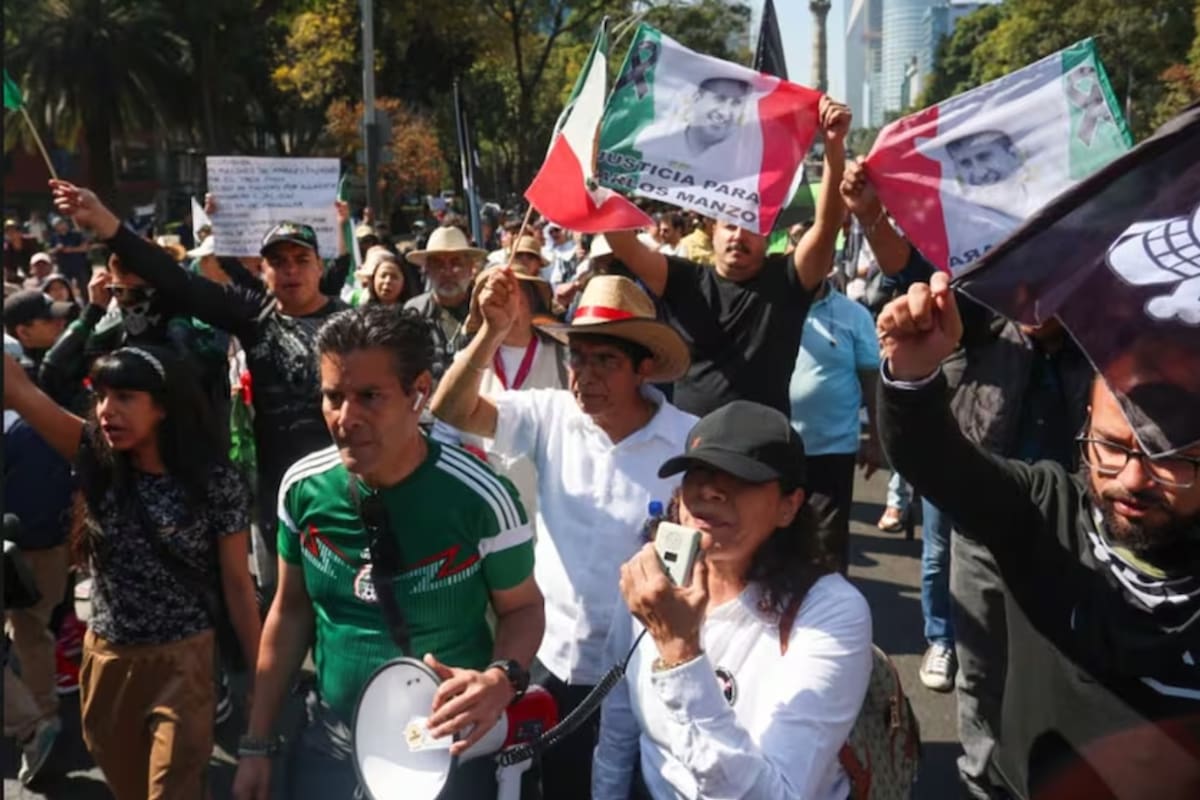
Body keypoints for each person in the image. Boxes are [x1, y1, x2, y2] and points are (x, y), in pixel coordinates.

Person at [877, 272, 1200, 799]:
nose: (1133, 479)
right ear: (1087, 423)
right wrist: (912, 375)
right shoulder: (1049, 510)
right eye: (1112, 447)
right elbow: (934, 458)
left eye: (1169, 458)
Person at [232, 306, 543, 800]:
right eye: (333, 397)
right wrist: (257, 742)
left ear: (419, 391)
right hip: (330, 744)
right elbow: (290, 613)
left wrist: (502, 678)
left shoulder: (482, 497)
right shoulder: (303, 488)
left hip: (448, 749)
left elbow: (523, 607)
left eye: (369, 397)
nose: (345, 418)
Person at [432, 273, 696, 797]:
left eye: (606, 361)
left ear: (644, 367)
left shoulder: (690, 441)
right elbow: (449, 410)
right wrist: (489, 332)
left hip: (642, 671)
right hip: (549, 661)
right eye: (578, 358)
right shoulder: (551, 414)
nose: (585, 375)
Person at [50, 180, 350, 595]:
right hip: (280, 494)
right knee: (289, 603)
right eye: (278, 262)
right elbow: (175, 281)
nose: (291, 270)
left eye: (302, 259)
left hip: (348, 483)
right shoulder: (253, 318)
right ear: (262, 271)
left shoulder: (352, 324)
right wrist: (106, 223)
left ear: (321, 266)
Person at [2, 346, 261, 799]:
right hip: (107, 662)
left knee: (172, 790)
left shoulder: (214, 481)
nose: (107, 410)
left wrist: (263, 676)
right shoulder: (93, 459)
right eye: (100, 396)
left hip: (185, 660)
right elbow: (20, 391)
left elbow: (239, 585)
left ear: (163, 406)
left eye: (124, 397)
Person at [593, 400, 873, 799]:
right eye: (698, 473)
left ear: (788, 506)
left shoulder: (830, 612)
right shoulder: (655, 577)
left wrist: (681, 655)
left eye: (740, 477)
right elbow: (619, 723)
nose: (709, 490)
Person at [607, 97, 852, 417]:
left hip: (762, 454)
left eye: (751, 226)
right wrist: (605, 167)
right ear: (712, 230)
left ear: (768, 235)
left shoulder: (789, 279)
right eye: (730, 225)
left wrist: (835, 146)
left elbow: (827, 224)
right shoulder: (683, 279)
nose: (738, 235)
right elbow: (622, 243)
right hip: (691, 449)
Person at [448, 261, 562, 524]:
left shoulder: (564, 360)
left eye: (514, 295)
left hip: (549, 516)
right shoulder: (465, 363)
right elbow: (444, 429)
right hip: (482, 513)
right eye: (496, 297)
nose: (507, 305)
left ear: (532, 302)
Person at [788, 273, 884, 572]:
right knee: (775, 547)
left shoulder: (854, 315)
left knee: (826, 548)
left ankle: (830, 617)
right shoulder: (771, 305)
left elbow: (872, 379)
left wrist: (877, 440)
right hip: (777, 451)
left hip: (832, 450)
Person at [3, 410, 75, 785]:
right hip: (50, 546)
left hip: (16, 545)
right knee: (34, 633)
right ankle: (44, 715)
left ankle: (29, 727)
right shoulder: (42, 420)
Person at [404, 225, 482, 387]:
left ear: (470, 268)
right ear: (427, 270)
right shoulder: (414, 311)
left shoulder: (484, 309)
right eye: (438, 264)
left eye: (456, 263)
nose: (447, 272)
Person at [3, 290, 72, 376]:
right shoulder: (21, 374)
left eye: (59, 316)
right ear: (24, 332)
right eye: (49, 320)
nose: (61, 322)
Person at [47, 215, 90, 293]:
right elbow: (49, 251)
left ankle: (87, 303)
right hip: (63, 267)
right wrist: (57, 249)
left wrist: (72, 249)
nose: (62, 225)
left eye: (62, 223)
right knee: (65, 288)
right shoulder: (54, 237)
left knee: (84, 287)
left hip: (78, 265)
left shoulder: (76, 234)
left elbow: (85, 248)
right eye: (58, 224)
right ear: (55, 227)